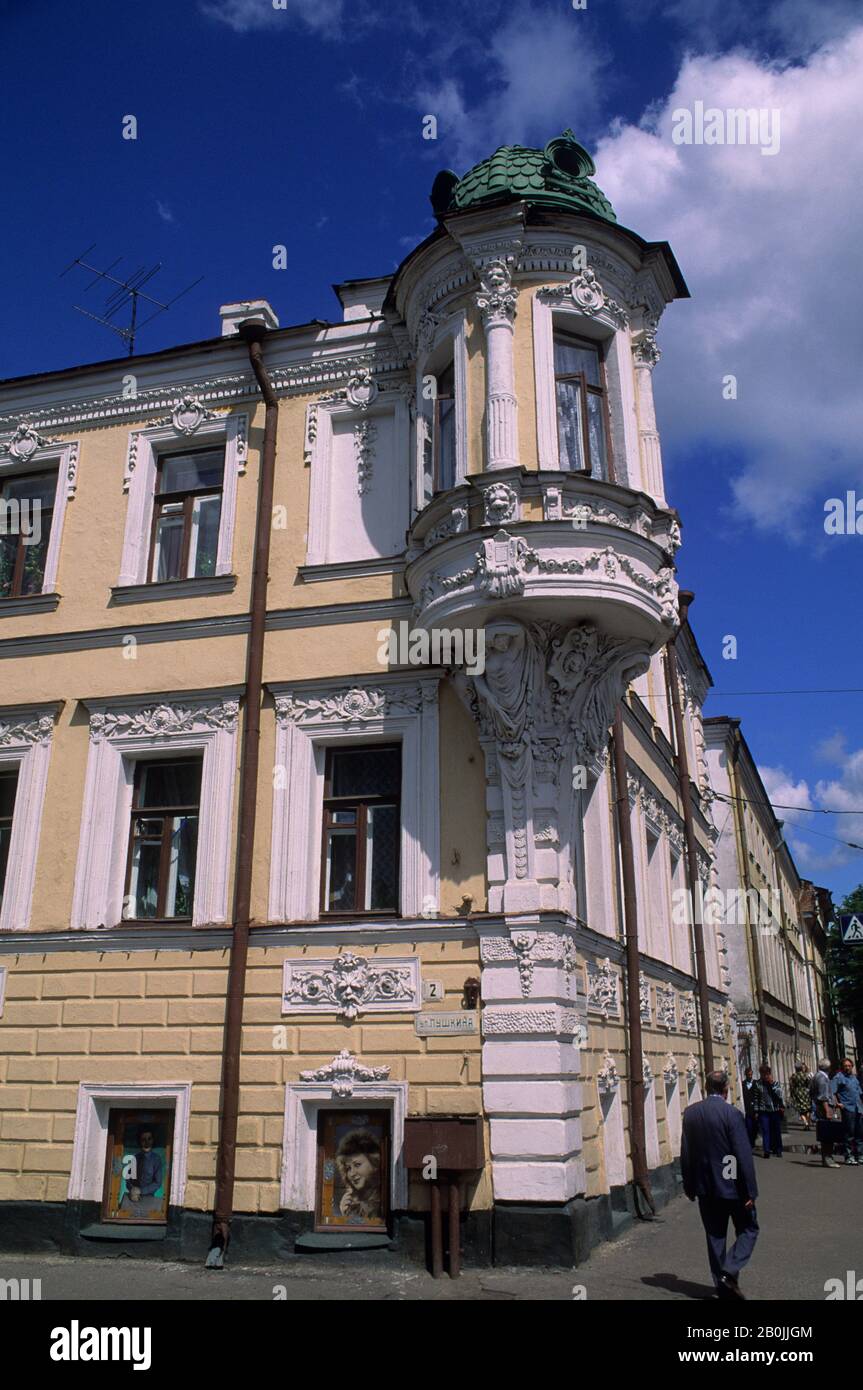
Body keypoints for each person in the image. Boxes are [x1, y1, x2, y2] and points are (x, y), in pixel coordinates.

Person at [681, 1069, 759, 1300]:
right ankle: (729, 1271)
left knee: (715, 1236)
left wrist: (689, 1185)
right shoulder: (731, 1114)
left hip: (705, 1187)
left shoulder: (691, 1113)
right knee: (749, 1228)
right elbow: (741, 1155)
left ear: (706, 1088)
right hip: (732, 1186)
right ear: (726, 1090)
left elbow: (686, 1153)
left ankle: (723, 1288)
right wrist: (749, 1191)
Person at [335, 1129, 383, 1222]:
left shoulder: (382, 1199)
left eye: (357, 1165)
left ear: (374, 1163)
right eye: (348, 1168)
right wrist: (345, 1212)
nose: (352, 1174)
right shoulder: (354, 1200)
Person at [830, 1058, 863, 1166]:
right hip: (848, 1108)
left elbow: (859, 1093)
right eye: (845, 1066)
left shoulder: (854, 1078)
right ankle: (849, 1156)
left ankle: (860, 1155)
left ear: (852, 1066)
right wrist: (838, 1103)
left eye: (849, 1065)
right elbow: (832, 1091)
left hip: (858, 1108)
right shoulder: (838, 1078)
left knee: (860, 1133)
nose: (847, 1067)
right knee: (849, 1134)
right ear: (842, 1067)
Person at [812, 1059, 840, 1167]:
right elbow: (823, 1096)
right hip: (823, 1109)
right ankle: (828, 1158)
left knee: (826, 1134)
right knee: (828, 1135)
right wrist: (828, 1110)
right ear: (828, 1067)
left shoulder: (817, 1076)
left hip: (821, 1108)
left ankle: (827, 1158)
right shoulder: (822, 1078)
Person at [752, 1064, 784, 1157]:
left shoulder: (775, 1083)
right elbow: (756, 1098)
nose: (765, 1076)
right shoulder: (758, 1084)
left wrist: (772, 1084)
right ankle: (766, 1150)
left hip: (775, 1110)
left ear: (769, 1074)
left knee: (776, 1130)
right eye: (763, 1074)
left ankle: (778, 1149)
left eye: (766, 1074)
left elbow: (779, 1095)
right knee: (765, 1130)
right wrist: (756, 1112)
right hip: (763, 1111)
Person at [789, 1062, 813, 1128]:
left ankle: (805, 1123)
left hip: (797, 1093)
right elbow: (809, 1084)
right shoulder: (805, 1075)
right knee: (808, 1108)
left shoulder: (793, 1076)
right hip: (806, 1092)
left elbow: (791, 1086)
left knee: (800, 1109)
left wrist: (792, 1094)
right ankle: (808, 1122)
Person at [741, 1066, 758, 1150]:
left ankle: (753, 1139)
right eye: (748, 1075)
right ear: (746, 1075)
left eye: (751, 1074)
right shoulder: (742, 1084)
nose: (750, 1076)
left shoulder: (756, 1083)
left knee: (755, 1127)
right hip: (747, 1109)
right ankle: (750, 1143)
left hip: (755, 1110)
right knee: (748, 1127)